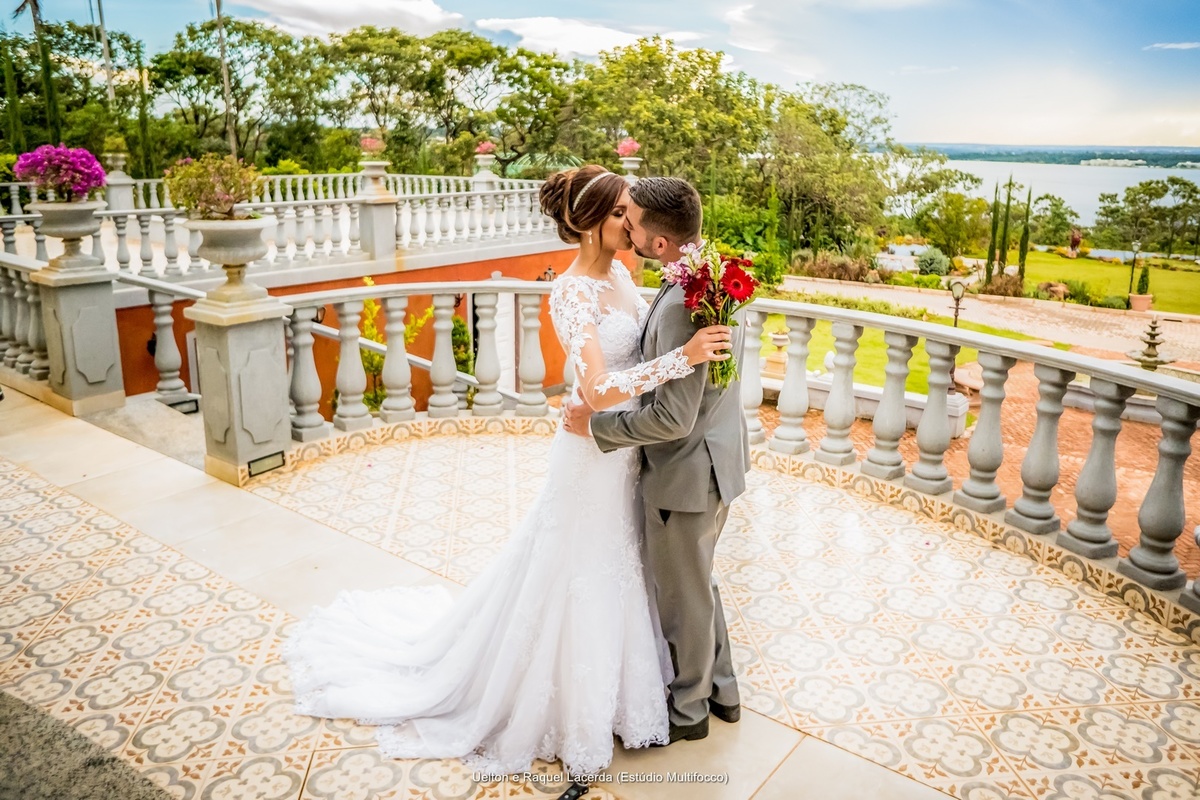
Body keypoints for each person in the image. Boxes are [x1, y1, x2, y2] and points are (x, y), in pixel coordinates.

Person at [283, 164, 732, 777]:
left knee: (632, 565)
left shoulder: (627, 275)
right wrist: (682, 358)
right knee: (579, 567)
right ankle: (569, 701)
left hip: (629, 450)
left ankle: (639, 688)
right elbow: (598, 390)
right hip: (591, 454)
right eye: (622, 214)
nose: (632, 224)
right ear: (594, 224)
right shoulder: (570, 293)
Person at [563, 177, 751, 744]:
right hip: (716, 459)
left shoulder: (682, 305)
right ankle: (723, 690)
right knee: (699, 584)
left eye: (634, 219)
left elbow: (672, 419)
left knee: (682, 598)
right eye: (619, 214)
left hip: (685, 473)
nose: (628, 226)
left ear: (661, 243)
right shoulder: (706, 277)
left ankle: (689, 710)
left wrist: (597, 427)